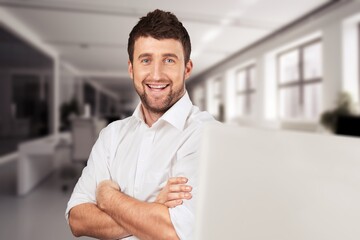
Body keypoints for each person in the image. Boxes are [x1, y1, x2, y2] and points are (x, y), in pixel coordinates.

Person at [66, 9, 216, 240]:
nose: (156, 75)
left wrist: (108, 198)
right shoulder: (112, 135)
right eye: (146, 60)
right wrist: (154, 206)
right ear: (131, 68)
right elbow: (77, 219)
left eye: (168, 60)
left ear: (187, 68)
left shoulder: (206, 134)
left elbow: (173, 231)